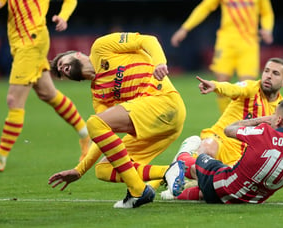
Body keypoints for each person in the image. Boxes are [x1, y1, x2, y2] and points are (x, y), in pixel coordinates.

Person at [0, 0, 91, 172]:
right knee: (49, 94)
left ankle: (0, 157)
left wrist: (63, 17)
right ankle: (85, 134)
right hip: (16, 40)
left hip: (34, 40)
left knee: (13, 99)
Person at [47, 32, 187, 208]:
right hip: (153, 127)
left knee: (94, 122)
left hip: (163, 101)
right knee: (104, 169)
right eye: (61, 72)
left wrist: (160, 62)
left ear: (77, 54)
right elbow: (102, 136)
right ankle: (172, 171)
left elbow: (148, 40)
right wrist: (79, 170)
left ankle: (139, 191)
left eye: (62, 63)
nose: (62, 69)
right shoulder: (99, 94)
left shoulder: (101, 47)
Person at [161, 58, 283, 200]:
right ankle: (182, 158)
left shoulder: (280, 110)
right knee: (208, 148)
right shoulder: (251, 87)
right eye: (266, 71)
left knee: (222, 191)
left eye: (275, 73)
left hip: (238, 157)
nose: (268, 76)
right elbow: (233, 88)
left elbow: (281, 143)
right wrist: (215, 86)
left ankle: (176, 191)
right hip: (220, 139)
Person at [171, 0, 274, 113]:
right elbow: (204, 8)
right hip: (226, 42)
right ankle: (225, 122)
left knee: (247, 86)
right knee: (221, 84)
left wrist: (267, 29)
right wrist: (185, 28)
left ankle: (243, 124)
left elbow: (266, 12)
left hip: (249, 42)